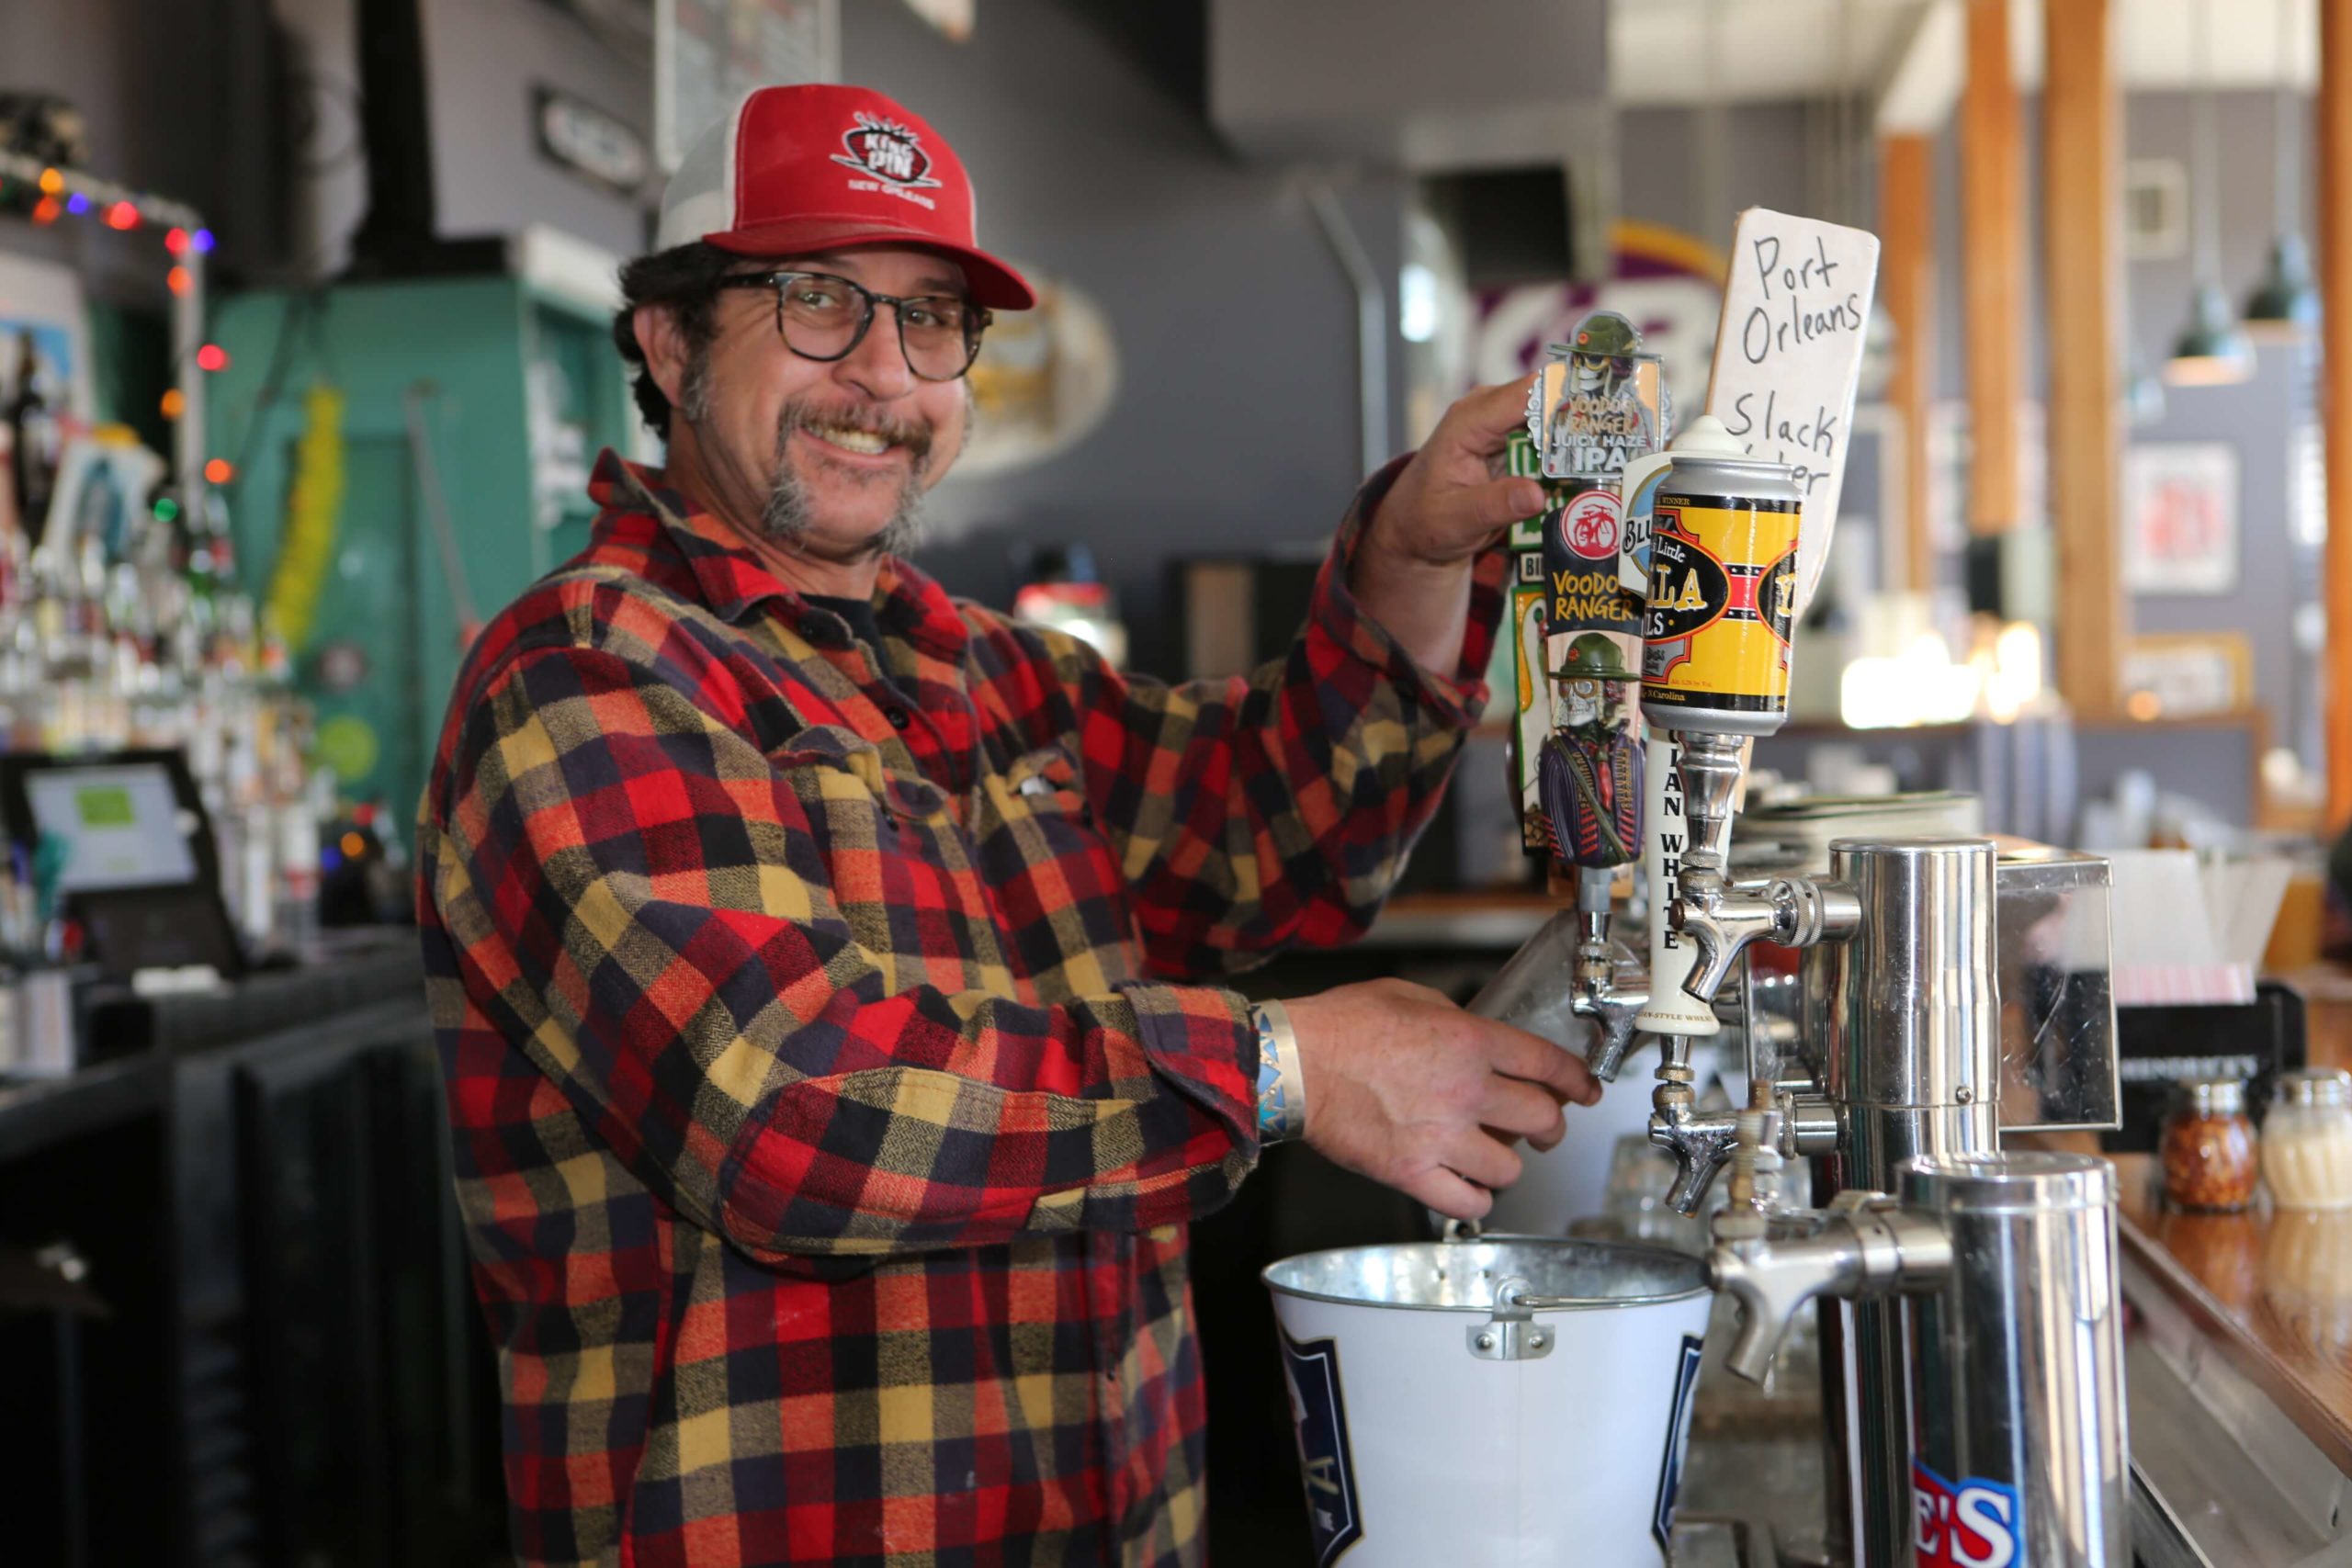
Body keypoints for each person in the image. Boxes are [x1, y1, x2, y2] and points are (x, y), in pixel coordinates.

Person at [418, 83, 1593, 1568]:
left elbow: (1270, 846)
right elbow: (797, 1112)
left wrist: (1420, 552)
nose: (884, 378)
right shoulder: (587, 674)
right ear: (668, 338)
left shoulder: (989, 670)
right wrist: (1284, 1065)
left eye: (931, 322)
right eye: (819, 301)